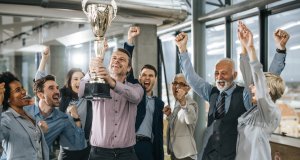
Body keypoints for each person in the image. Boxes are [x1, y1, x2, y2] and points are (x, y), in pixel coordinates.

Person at [175, 32, 253, 160]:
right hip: (209, 155)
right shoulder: (212, 92)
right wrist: (182, 49)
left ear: (234, 75)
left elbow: (250, 80)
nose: (219, 77)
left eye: (224, 73)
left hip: (234, 155)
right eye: (216, 73)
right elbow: (192, 78)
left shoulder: (244, 94)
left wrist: (244, 50)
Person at [78, 47, 144, 160]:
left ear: (129, 68)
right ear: (109, 65)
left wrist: (111, 82)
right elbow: (81, 91)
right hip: (99, 154)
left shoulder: (136, 88)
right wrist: (92, 70)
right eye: (114, 58)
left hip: (127, 154)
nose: (117, 61)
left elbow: (136, 97)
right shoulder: (98, 85)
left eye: (122, 59)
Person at [235, 21, 286, 160]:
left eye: (256, 85)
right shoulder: (255, 110)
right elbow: (249, 76)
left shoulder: (270, 112)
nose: (251, 86)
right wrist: (243, 46)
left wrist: (250, 47)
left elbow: (257, 76)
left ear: (266, 89)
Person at [24, 47, 86, 158]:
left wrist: (76, 118)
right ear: (40, 95)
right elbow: (39, 83)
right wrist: (44, 59)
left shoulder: (62, 119)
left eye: (57, 88)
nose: (57, 91)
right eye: (75, 79)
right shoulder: (24, 112)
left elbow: (79, 144)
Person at [0, 72, 49, 160]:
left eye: (22, 88)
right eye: (18, 90)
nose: (24, 91)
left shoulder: (28, 113)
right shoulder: (6, 119)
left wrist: (40, 130)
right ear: (7, 98)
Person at [163, 73, 198, 160]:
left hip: (186, 155)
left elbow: (189, 119)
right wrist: (169, 115)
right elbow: (178, 127)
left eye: (181, 84)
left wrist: (183, 102)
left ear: (188, 88)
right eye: (175, 83)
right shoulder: (177, 103)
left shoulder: (191, 103)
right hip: (176, 154)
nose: (177, 86)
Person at [135, 64, 165, 160]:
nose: (147, 77)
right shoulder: (133, 96)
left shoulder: (159, 104)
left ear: (155, 79)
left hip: (146, 147)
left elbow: (158, 133)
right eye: (144, 75)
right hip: (128, 145)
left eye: (151, 75)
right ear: (139, 78)